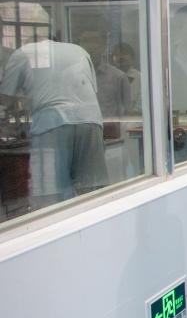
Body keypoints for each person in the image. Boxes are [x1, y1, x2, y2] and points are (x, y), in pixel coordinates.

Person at [0, 38, 108, 209]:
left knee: (50, 196)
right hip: (90, 120)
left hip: (52, 123)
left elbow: (5, 99)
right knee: (92, 190)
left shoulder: (22, 53)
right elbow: (89, 91)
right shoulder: (79, 51)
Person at [77, 27, 131, 119]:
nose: (90, 46)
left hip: (109, 127)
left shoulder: (118, 77)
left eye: (94, 41)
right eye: (85, 40)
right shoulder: (71, 75)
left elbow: (126, 113)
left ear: (104, 46)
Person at [111, 42, 143, 115]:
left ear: (132, 57)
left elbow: (141, 106)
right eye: (117, 54)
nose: (121, 57)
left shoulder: (141, 78)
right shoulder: (108, 76)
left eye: (124, 53)